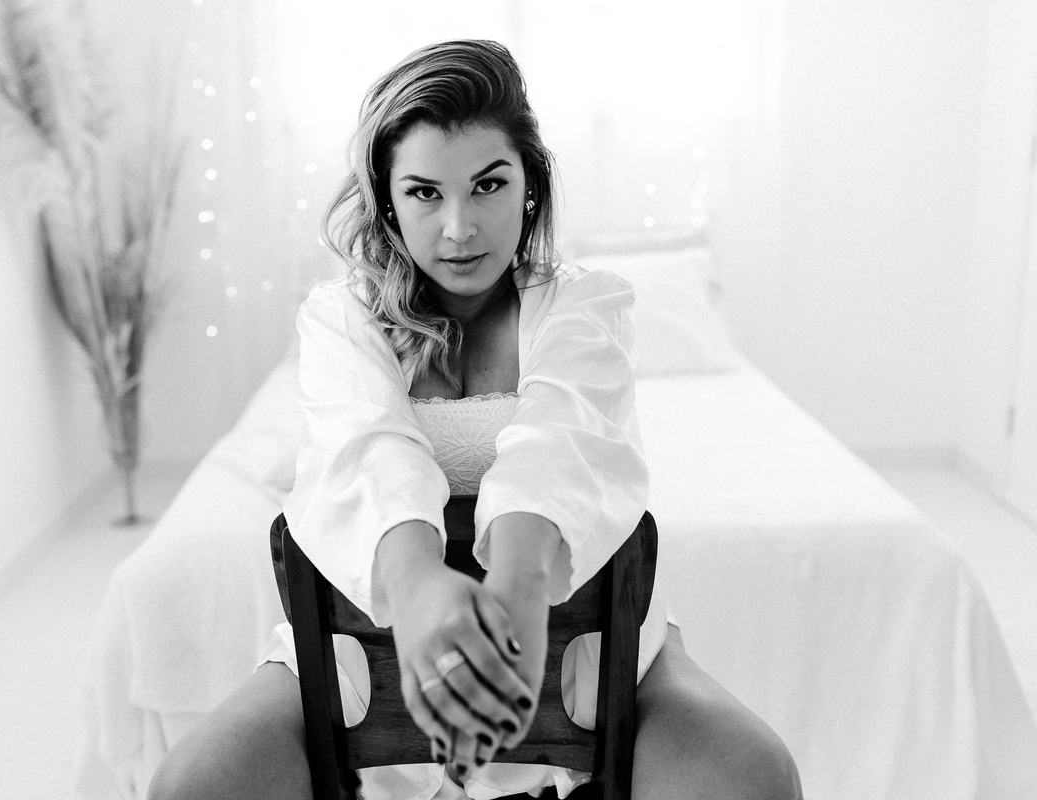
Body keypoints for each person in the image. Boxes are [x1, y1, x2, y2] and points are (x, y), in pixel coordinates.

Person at [149, 39, 802, 800]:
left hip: (591, 652)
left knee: (754, 774)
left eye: (487, 185)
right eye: (425, 192)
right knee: (192, 786)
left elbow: (560, 442)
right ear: (387, 202)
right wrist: (418, 585)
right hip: (356, 659)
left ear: (529, 187)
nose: (459, 227)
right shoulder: (340, 319)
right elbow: (368, 449)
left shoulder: (585, 306)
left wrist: (518, 589)